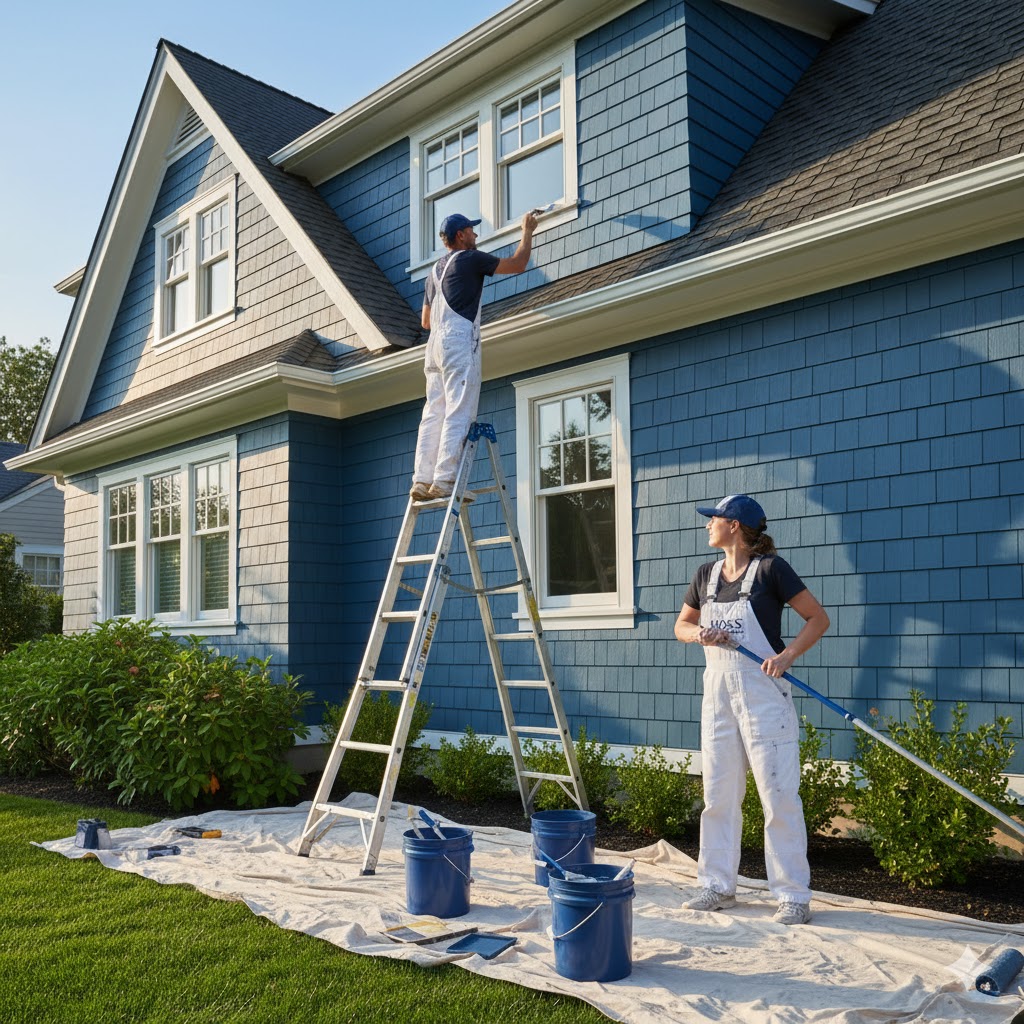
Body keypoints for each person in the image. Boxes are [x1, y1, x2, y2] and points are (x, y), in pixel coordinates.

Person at [674, 494, 830, 926]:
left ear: (736, 526)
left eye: (715, 519)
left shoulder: (771, 570)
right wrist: (698, 635)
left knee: (778, 796)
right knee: (718, 795)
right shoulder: (705, 575)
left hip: (764, 696)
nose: (708, 525)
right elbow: (680, 626)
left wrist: (787, 656)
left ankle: (792, 895)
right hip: (718, 696)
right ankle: (717, 886)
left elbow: (817, 618)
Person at [410, 210, 538, 501]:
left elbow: (425, 321)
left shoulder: (433, 272)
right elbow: (517, 265)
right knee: (459, 408)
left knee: (433, 412)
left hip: (433, 348)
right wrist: (527, 230)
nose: (476, 235)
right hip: (457, 339)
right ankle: (443, 480)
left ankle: (421, 479)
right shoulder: (470, 259)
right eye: (472, 230)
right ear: (460, 236)